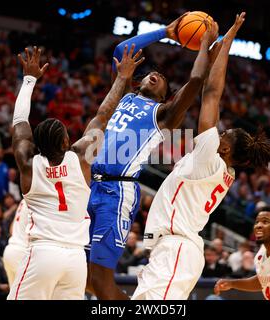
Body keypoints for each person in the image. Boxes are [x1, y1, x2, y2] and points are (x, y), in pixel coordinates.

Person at [131, 13, 270, 300]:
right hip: (175, 250)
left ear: (224, 148)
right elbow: (212, 96)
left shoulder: (211, 157)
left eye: (224, 133)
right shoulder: (221, 167)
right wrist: (224, 43)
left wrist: (227, 38)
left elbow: (211, 93)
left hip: (177, 249)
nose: (219, 130)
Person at [87, 13, 219, 300]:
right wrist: (166, 31)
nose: (154, 74)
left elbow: (196, 80)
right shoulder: (122, 92)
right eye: (150, 73)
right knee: (81, 273)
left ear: (165, 96)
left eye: (162, 80)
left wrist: (206, 44)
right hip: (89, 185)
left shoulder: (162, 115)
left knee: (99, 280)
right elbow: (123, 51)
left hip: (117, 192)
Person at [7, 45, 144, 300]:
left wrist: (29, 80)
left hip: (43, 254)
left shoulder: (28, 164)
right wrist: (123, 77)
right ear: (64, 142)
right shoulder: (81, 159)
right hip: (75, 261)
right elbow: (103, 114)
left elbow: (20, 122)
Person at [3, 200, 29, 287]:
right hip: (22, 253)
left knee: (14, 295)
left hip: (10, 249)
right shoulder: (36, 199)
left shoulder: (24, 200)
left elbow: (11, 230)